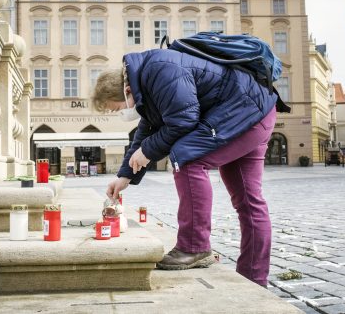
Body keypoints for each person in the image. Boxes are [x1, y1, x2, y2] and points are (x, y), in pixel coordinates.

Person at [91, 48, 279, 287]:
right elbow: (146, 129)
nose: (121, 114)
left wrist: (147, 151)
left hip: (245, 110)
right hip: (256, 109)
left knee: (187, 157)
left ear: (127, 91)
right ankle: (254, 279)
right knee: (248, 199)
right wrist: (124, 176)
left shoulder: (159, 71)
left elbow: (183, 121)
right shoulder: (147, 80)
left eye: (117, 109)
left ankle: (194, 247)